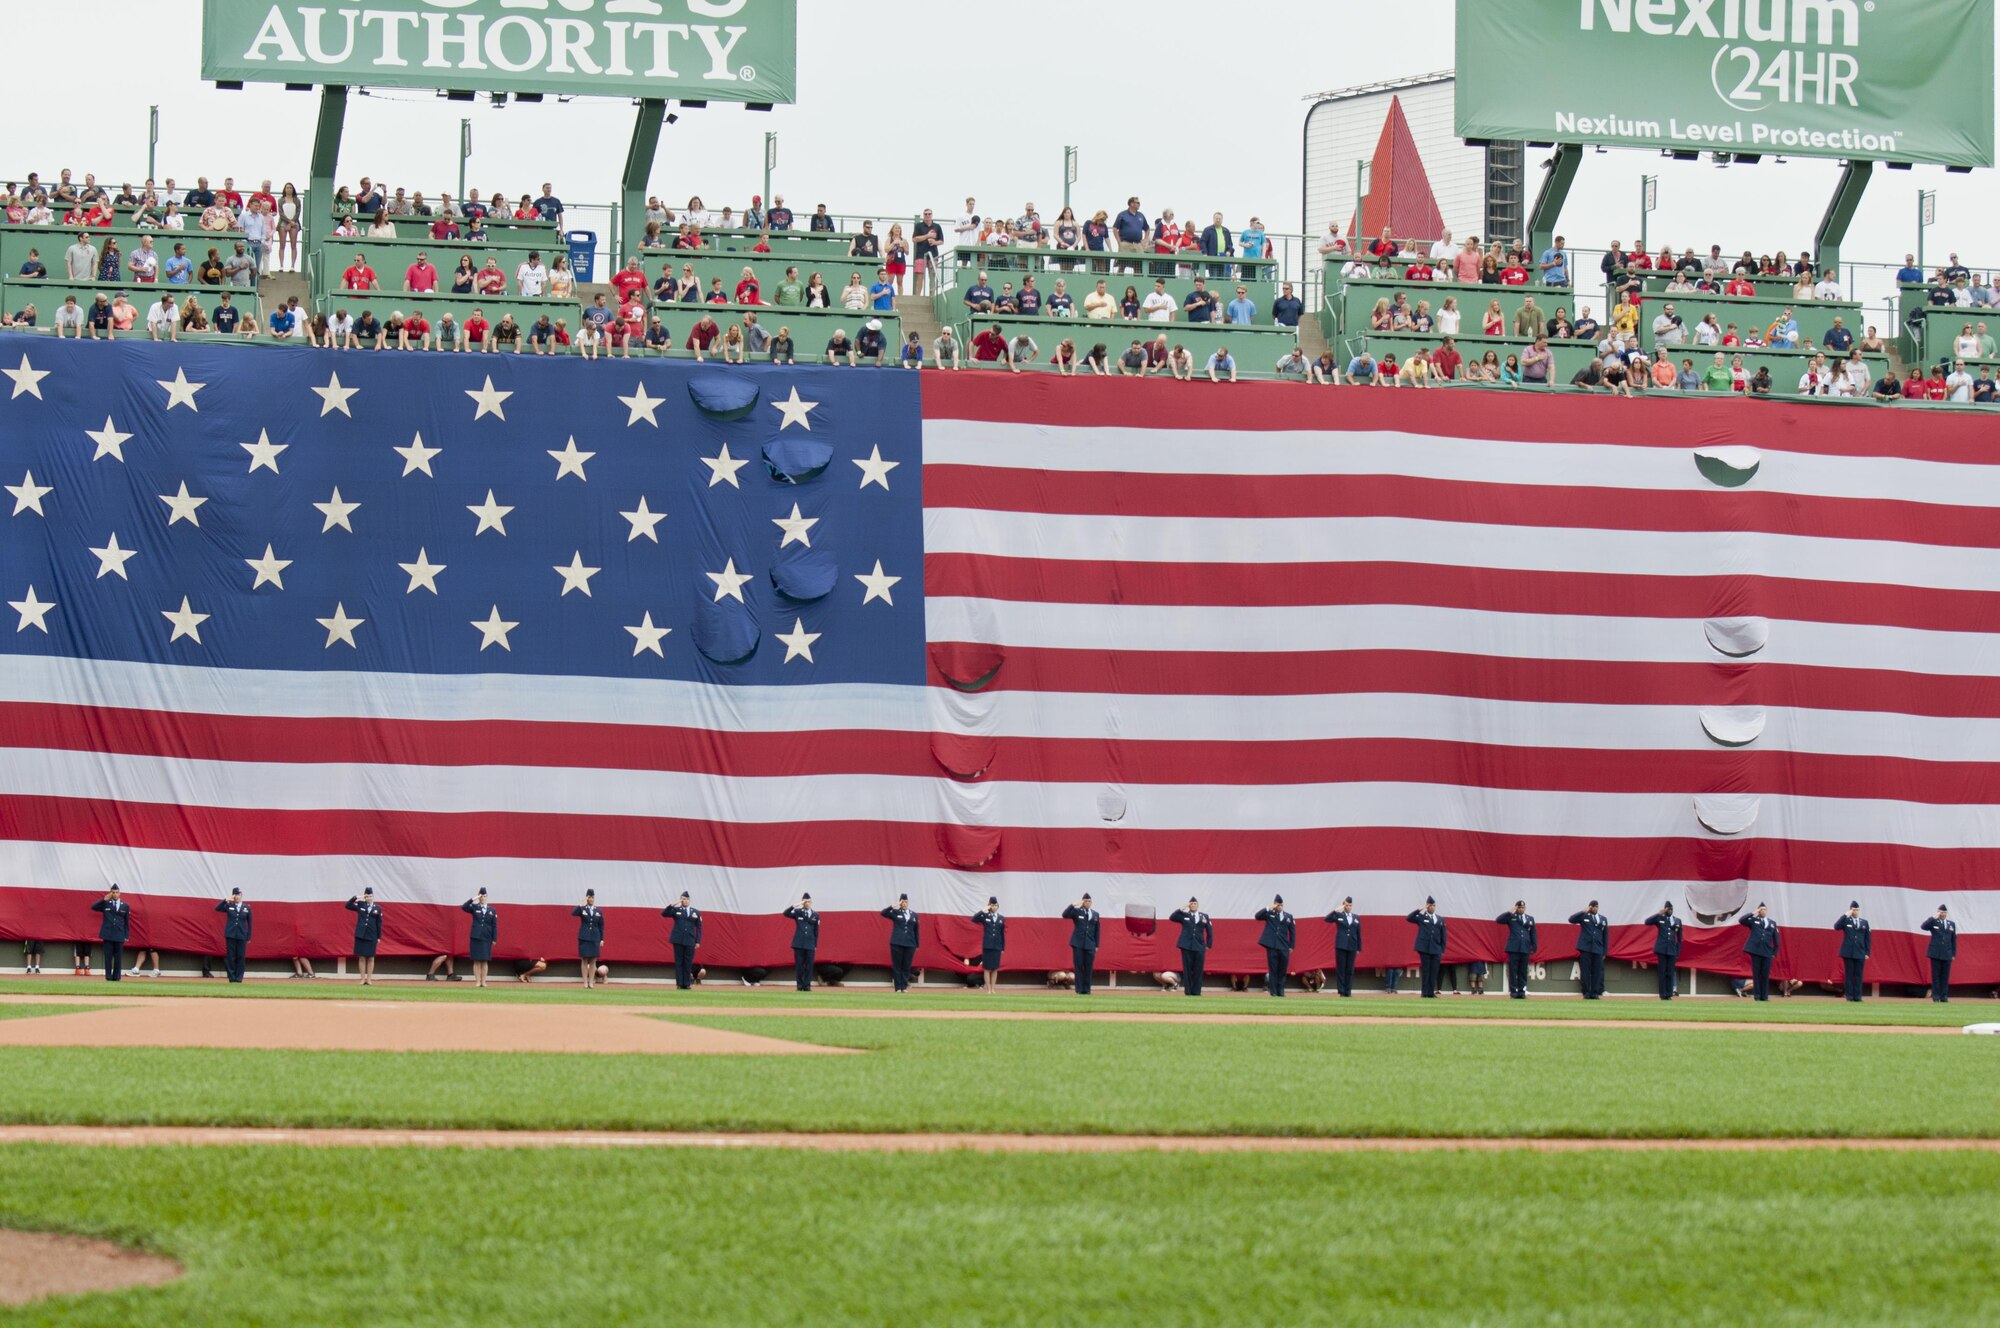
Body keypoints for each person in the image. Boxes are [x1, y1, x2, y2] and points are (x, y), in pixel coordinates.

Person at [1167, 898, 1213, 997]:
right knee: (1187, 970)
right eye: (1191, 904)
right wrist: (1183, 907)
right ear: (1189, 905)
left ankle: (1196, 992)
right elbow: (1172, 917)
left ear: (1198, 905)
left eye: (1195, 903)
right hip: (1186, 945)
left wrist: (1208, 945)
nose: (1193, 905)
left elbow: (1209, 931)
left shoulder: (1204, 916)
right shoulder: (1184, 915)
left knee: (1198, 970)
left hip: (1199, 946)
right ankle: (1188, 992)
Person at [1254, 895, 1296, 997]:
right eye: (1276, 904)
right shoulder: (1270, 913)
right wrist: (1269, 907)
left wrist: (1291, 946)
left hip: (1283, 946)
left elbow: (1293, 932)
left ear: (1282, 905)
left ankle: (1281, 991)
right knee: (1273, 970)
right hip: (1272, 946)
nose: (1278, 906)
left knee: (1282, 970)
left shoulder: (1288, 916)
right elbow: (1257, 916)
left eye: (1279, 905)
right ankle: (1273, 992)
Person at [1641, 900, 1683, 999]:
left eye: (1671, 909)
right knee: (1662, 972)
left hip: (1672, 950)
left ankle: (1669, 994)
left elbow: (1680, 938)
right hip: (1662, 949)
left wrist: (1678, 951)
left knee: (1670, 972)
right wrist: (1659, 913)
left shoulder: (1677, 921)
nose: (1670, 911)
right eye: (1668, 909)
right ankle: (1663, 994)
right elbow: (1647, 922)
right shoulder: (1660, 918)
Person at [1406, 896, 1447, 998]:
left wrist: (1442, 949)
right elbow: (1409, 918)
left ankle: (1431, 992)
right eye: (1430, 905)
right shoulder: (1421, 917)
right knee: (1426, 971)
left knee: (1434, 971)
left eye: (1434, 905)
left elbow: (1443, 935)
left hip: (1436, 948)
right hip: (1424, 948)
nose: (1432, 907)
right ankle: (1425, 992)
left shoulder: (1440, 919)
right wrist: (1420, 909)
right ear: (1427, 906)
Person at [1495, 900, 1536, 999]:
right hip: (1513, 948)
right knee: (1513, 971)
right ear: (1516, 908)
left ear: (1525, 908)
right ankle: (1514, 992)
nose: (1521, 909)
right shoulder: (1511, 917)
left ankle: (1522, 991)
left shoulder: (1530, 919)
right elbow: (1499, 920)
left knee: (1523, 971)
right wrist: (1510, 911)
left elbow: (1533, 933)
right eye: (1519, 907)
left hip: (1525, 948)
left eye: (1522, 908)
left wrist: (1534, 945)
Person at [90, 884, 131, 982]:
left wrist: (126, 935)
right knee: (108, 957)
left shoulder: (125, 906)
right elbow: (93, 907)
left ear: (120, 893)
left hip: (119, 934)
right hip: (108, 934)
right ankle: (108, 976)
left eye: (117, 892)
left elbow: (127, 922)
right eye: (113, 892)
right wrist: (103, 899)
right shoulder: (106, 903)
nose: (115, 894)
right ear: (110, 893)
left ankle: (116, 977)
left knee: (118, 958)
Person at [1739, 902, 1780, 1000]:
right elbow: (1742, 920)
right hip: (1756, 951)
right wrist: (1754, 912)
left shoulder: (1772, 923)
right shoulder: (1754, 920)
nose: (1763, 911)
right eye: (1761, 909)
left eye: (1764, 909)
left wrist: (1774, 952)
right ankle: (1757, 995)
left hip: (1767, 951)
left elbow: (1776, 939)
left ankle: (1764, 996)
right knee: (1756, 974)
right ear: (1758, 910)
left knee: (1765, 974)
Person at [1061, 893, 1101, 995]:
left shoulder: (1095, 914)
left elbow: (1097, 930)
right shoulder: (1077, 911)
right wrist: (1073, 904)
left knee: (1088, 967)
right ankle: (1079, 989)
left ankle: (1086, 989)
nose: (1087, 903)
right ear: (1082, 902)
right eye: (1086, 901)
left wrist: (1097, 945)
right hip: (1078, 943)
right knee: (1078, 967)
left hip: (1090, 944)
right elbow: (1064, 915)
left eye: (1089, 901)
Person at [1568, 900, 1609, 999]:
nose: (1594, 908)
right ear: (1590, 907)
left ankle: (1595, 993)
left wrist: (1604, 951)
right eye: (1593, 906)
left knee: (1597, 972)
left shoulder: (1603, 919)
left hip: (1598, 949)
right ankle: (1586, 992)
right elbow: (1571, 920)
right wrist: (1583, 911)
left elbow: (1605, 937)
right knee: (1585, 971)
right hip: (1586, 948)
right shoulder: (1584, 916)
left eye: (1596, 906)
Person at [662, 892, 702, 990]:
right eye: (683, 899)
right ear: (680, 900)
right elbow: (664, 913)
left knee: (688, 962)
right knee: (679, 962)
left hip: (690, 940)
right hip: (678, 939)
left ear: (689, 900)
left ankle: (687, 983)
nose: (685, 901)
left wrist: (698, 941)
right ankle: (680, 984)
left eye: (687, 899)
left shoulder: (695, 912)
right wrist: (674, 903)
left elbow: (699, 928)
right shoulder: (676, 910)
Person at [1324, 896, 1362, 997]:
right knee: (1341, 969)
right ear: (1343, 905)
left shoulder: (1356, 917)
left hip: (1352, 946)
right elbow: (1327, 919)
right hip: (1341, 945)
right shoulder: (1339, 915)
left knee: (1349, 969)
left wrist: (1359, 947)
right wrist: (1337, 910)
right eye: (1346, 905)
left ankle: (1348, 991)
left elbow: (1358, 933)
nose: (1348, 907)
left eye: (1350, 905)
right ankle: (1341, 991)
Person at [461, 889, 499, 989]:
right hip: (476, 936)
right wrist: (475, 898)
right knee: (477, 960)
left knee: (485, 960)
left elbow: (494, 925)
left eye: (484, 896)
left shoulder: (492, 910)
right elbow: (464, 907)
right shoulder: (474, 907)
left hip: (487, 937)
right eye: (481, 896)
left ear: (487, 897)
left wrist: (494, 938)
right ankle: (477, 981)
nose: (483, 898)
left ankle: (484, 981)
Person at [1833, 901, 1870, 1002]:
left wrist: (1867, 952)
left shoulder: (1864, 922)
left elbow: (1867, 938)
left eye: (1857, 910)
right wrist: (1846, 914)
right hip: (1848, 952)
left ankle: (1857, 997)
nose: (1856, 912)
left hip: (1860, 952)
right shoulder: (1846, 921)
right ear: (1851, 910)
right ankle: (1849, 996)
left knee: (1858, 975)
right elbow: (1836, 926)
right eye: (1854, 910)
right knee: (1849, 975)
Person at [882, 893, 919, 993]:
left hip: (910, 943)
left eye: (906, 902)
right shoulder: (895, 912)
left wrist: (917, 944)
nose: (904, 904)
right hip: (897, 942)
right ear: (900, 902)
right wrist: (894, 905)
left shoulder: (914, 915)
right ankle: (898, 987)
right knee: (897, 965)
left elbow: (916, 930)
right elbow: (883, 913)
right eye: (902, 902)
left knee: (907, 965)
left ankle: (904, 986)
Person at [345, 887, 383, 985]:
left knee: (371, 957)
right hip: (361, 935)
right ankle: (362, 979)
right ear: (365, 897)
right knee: (361, 957)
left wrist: (379, 937)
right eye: (367, 896)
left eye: (370, 896)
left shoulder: (377, 908)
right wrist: (356, 897)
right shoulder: (360, 905)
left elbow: (379, 923)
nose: (369, 898)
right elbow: (348, 905)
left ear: (373, 896)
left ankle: (369, 979)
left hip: (372, 935)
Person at [215, 888, 253, 983]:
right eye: (235, 895)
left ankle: (239, 977)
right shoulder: (229, 906)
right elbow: (217, 908)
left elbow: (250, 923)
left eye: (239, 894)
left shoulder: (246, 908)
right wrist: (226, 899)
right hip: (231, 934)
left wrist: (249, 936)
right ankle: (232, 977)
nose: (237, 896)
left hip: (241, 935)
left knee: (241, 956)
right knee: (231, 956)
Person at [783, 894, 820, 991]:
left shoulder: (815, 915)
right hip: (799, 944)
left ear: (811, 902)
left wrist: (815, 945)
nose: (807, 903)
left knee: (809, 966)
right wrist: (796, 905)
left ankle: (807, 986)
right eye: (805, 901)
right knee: (799, 966)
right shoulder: (798, 912)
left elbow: (816, 931)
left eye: (808, 901)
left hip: (810, 944)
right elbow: (785, 913)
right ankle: (799, 986)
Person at [1920, 904, 1957, 1002]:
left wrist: (1953, 954)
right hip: (1935, 953)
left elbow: (1953, 940)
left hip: (1947, 953)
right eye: (1941, 912)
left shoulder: (1951, 924)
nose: (1943, 914)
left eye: (1944, 912)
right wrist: (1933, 917)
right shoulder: (1934, 922)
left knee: (1945, 976)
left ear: (1947, 913)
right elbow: (1923, 927)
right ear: (1938, 912)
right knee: (1935, 976)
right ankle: (1936, 997)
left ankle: (1944, 996)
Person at [970, 897, 1006, 994]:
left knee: (995, 968)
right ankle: (988, 989)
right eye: (992, 905)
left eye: (995, 905)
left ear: (998, 906)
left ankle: (993, 988)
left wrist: (1003, 947)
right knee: (987, 968)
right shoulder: (985, 916)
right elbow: (973, 919)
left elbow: (1002, 934)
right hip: (987, 946)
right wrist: (983, 909)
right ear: (989, 905)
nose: (994, 907)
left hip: (997, 946)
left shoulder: (1001, 918)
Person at [573, 890, 605, 990]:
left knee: (593, 960)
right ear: (587, 898)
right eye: (589, 897)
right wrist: (581, 904)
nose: (591, 899)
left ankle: (591, 982)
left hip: (595, 937)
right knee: (584, 959)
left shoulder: (598, 911)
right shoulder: (582, 909)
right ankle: (585, 982)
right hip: (584, 937)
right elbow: (573, 913)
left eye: (592, 897)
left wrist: (602, 938)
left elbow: (601, 926)